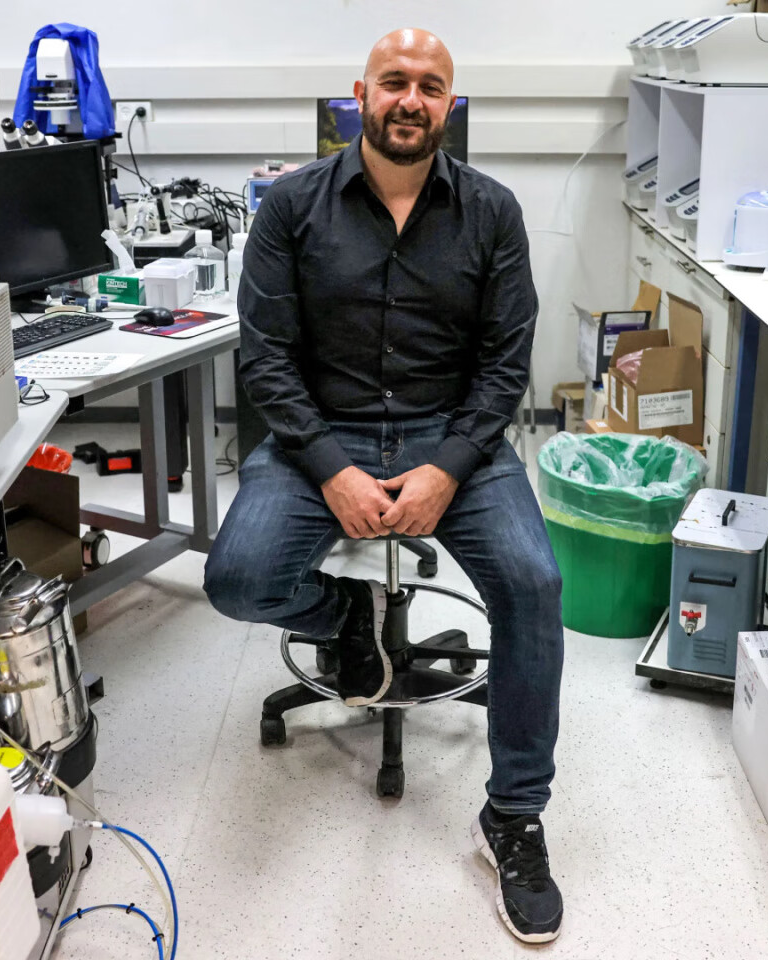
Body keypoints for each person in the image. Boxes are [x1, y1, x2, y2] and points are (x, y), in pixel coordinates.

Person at [203, 27, 565, 943]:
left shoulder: (492, 211)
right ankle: (344, 617)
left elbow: (505, 364)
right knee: (238, 578)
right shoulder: (292, 207)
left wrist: (449, 467)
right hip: (321, 435)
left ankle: (514, 816)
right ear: (359, 94)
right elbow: (266, 356)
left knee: (533, 584)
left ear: (450, 105)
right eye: (394, 81)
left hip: (453, 438)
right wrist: (331, 469)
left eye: (431, 86)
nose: (411, 99)